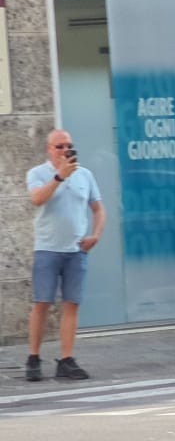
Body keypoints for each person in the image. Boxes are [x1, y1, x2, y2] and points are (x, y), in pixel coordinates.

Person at [24, 128, 104, 381]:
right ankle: (33, 358)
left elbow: (98, 208)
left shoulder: (85, 175)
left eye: (68, 145)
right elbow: (37, 199)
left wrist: (96, 235)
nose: (65, 150)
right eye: (59, 146)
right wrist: (59, 177)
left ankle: (66, 359)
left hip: (75, 250)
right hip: (47, 248)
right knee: (42, 303)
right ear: (49, 149)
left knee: (72, 303)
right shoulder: (37, 173)